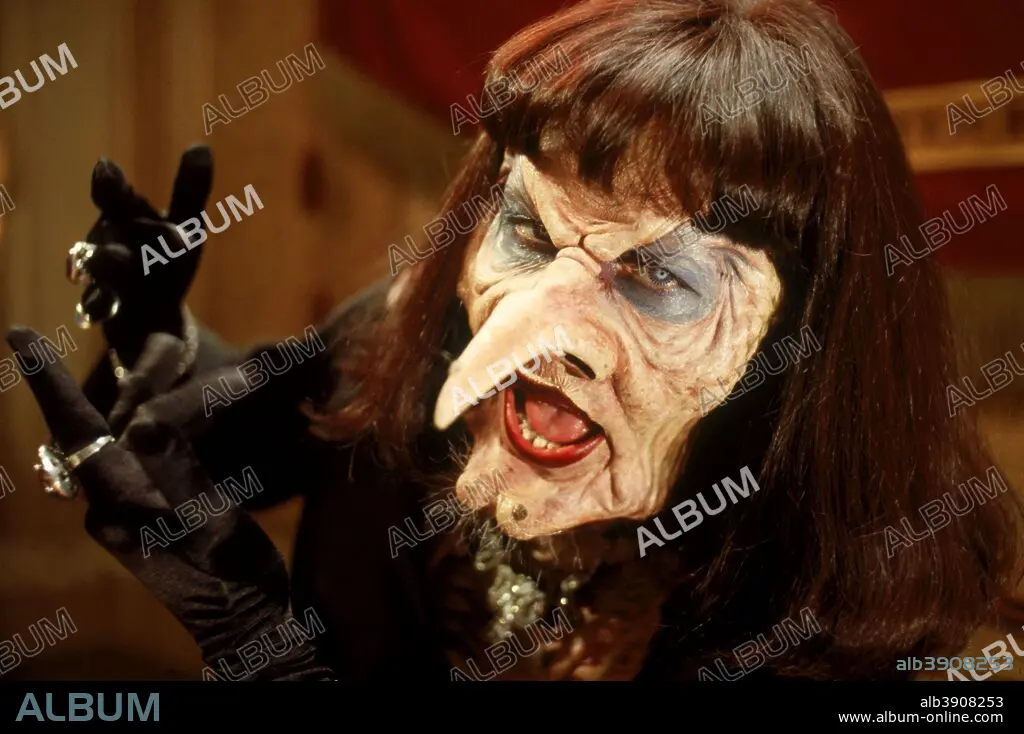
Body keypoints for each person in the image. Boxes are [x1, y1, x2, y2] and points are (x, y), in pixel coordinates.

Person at [10, 0, 1024, 681]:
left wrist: (264, 651)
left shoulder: (844, 619)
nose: (538, 329)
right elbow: (224, 443)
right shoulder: (417, 335)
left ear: (804, 339)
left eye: (659, 277)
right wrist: (152, 337)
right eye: (530, 235)